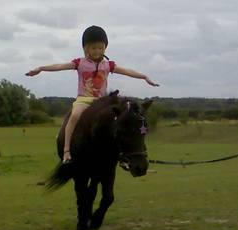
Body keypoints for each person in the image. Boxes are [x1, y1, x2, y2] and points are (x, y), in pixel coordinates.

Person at [26, 25, 159, 163]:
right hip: (84, 99)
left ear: (105, 48)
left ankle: (121, 156)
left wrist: (144, 76)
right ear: (86, 49)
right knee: (75, 116)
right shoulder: (80, 63)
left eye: (100, 48)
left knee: (118, 122)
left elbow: (127, 71)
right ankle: (66, 150)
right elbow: (59, 66)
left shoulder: (108, 65)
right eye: (94, 48)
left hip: (101, 102)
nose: (97, 51)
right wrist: (41, 68)